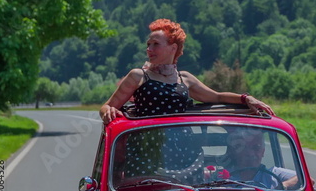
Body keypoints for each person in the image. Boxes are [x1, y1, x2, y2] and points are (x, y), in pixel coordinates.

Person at [100, 18, 274, 124]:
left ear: (172, 48)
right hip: (148, 146)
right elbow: (106, 107)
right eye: (148, 44)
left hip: (186, 150)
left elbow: (217, 97)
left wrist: (246, 98)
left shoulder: (185, 79)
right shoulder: (138, 75)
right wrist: (107, 111)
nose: (149, 49)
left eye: (155, 44)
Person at [224, 128, 299, 190]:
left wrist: (282, 186)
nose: (250, 154)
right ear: (235, 153)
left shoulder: (274, 174)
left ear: (262, 152)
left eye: (256, 148)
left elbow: (305, 179)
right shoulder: (224, 175)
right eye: (244, 149)